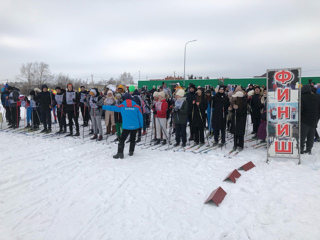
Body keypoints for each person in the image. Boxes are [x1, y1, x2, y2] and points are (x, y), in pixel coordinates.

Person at [102, 93, 143, 159]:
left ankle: (120, 153)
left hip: (126, 126)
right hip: (135, 126)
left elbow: (113, 108)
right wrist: (141, 126)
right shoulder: (137, 106)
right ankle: (131, 151)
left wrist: (103, 107)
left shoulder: (122, 106)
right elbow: (140, 117)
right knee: (133, 139)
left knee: (122, 139)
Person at [300, 84, 319, 154]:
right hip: (314, 120)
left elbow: (300, 110)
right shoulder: (317, 97)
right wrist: (317, 118)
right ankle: (309, 149)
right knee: (311, 136)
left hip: (304, 120)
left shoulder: (302, 98)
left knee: (302, 136)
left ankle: (301, 149)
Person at [230, 86, 247, 151]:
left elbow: (244, 112)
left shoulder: (244, 101)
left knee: (240, 133)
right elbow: (234, 109)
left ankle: (240, 145)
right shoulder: (235, 101)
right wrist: (231, 109)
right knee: (235, 132)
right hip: (235, 118)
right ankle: (235, 144)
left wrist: (238, 109)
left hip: (241, 119)